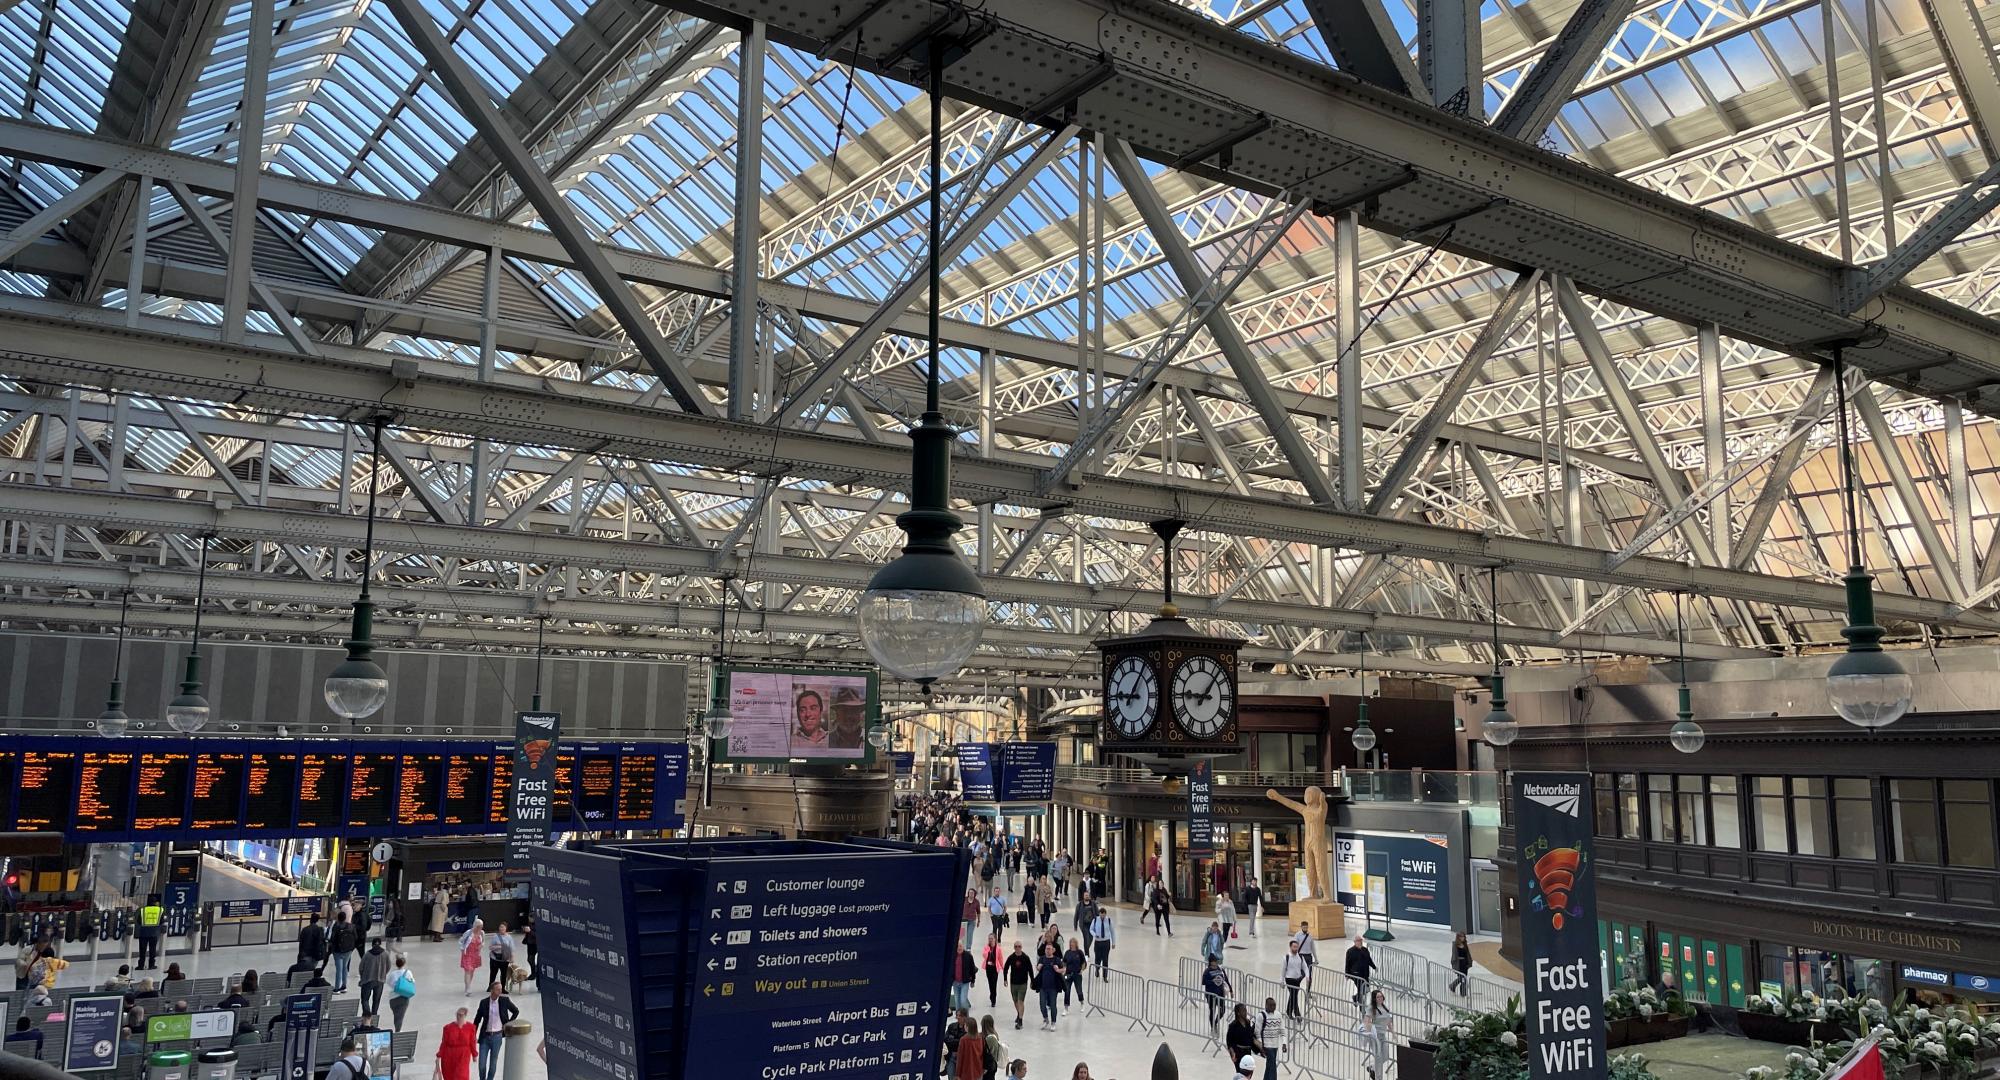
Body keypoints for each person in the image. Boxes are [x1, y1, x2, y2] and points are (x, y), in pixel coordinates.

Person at [472, 981, 518, 1080]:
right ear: (492, 990)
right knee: (482, 1065)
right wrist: (473, 1035)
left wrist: (508, 1023)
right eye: (498, 989)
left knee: (493, 1064)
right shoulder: (484, 1002)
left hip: (497, 1037)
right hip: (485, 1037)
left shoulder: (504, 1001)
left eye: (501, 989)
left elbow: (516, 1011)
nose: (500, 991)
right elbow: (477, 1019)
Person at [1360, 988, 1393, 1079]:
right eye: (1378, 997)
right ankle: (1379, 1078)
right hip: (1375, 1036)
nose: (1380, 998)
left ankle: (1372, 1068)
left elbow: (1388, 1021)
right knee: (1378, 1056)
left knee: (1386, 1056)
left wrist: (1393, 1033)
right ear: (1374, 998)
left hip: (1383, 1035)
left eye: (1381, 996)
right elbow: (1366, 1021)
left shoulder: (1385, 1007)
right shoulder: (1371, 1008)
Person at [437, 1007, 477, 1080]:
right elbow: (444, 1042)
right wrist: (439, 1055)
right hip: (449, 1055)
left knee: (462, 1075)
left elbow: (472, 1042)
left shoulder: (471, 1028)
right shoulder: (448, 1028)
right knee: (449, 1076)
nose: (459, 1017)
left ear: (465, 1016)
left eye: (461, 1015)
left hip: (463, 1055)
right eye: (458, 1015)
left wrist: (474, 1055)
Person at [1033, 944, 1064, 1030]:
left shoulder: (1056, 959)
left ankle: (1053, 1022)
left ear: (1053, 950)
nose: (1047, 950)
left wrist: (1058, 970)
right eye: (1046, 949)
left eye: (1049, 949)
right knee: (1042, 1004)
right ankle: (1046, 1019)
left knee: (1053, 1005)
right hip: (1043, 987)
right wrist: (1038, 967)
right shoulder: (1042, 958)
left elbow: (1063, 969)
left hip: (1053, 987)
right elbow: (1038, 967)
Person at [1003, 942, 1033, 1030]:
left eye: (1019, 946)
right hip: (1013, 983)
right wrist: (1005, 979)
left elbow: (1030, 969)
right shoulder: (1011, 957)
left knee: (1020, 1001)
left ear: (1021, 947)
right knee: (1015, 1001)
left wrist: (1032, 980)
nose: (1017, 948)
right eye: (1016, 946)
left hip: (1023, 983)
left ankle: (1020, 1020)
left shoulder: (1025, 958)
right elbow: (1006, 968)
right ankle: (1019, 1013)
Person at [1201, 957, 1233, 1036]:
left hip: (1220, 994)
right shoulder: (1207, 971)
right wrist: (1212, 981)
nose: (1216, 963)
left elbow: (1226, 980)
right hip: (1211, 994)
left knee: (1222, 1010)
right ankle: (1212, 1027)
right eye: (1214, 962)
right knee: (1212, 1010)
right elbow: (1203, 982)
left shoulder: (1221, 970)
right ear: (1211, 963)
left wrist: (1231, 990)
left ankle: (1215, 1022)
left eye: (1216, 962)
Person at [360, 937, 390, 1016]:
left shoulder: (367, 954)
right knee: (376, 1001)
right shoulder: (385, 954)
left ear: (372, 944)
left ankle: (367, 1016)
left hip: (368, 980)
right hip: (380, 981)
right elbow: (388, 966)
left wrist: (362, 977)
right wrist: (383, 974)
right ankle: (374, 1016)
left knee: (365, 1000)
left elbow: (361, 967)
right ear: (380, 944)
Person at [328, 912, 357, 992]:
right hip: (348, 950)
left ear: (338, 918)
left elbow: (332, 938)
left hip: (337, 950)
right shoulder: (351, 926)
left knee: (339, 969)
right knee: (345, 967)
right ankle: (344, 986)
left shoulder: (336, 926)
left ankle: (337, 988)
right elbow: (355, 937)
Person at [1257, 996, 1285, 1080]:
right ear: (1266, 1005)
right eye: (1271, 1005)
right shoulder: (1261, 1016)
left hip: (1275, 1045)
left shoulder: (1278, 1015)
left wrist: (1284, 1043)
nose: (1273, 1007)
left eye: (1274, 1005)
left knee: (1269, 1065)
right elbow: (1257, 1032)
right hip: (1266, 1045)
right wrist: (1261, 1045)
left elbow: (1282, 1029)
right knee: (1272, 1065)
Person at [1281, 939, 1310, 1019]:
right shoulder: (1286, 958)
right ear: (1290, 947)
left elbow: (1305, 967)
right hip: (1289, 979)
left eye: (1297, 947)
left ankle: (1288, 1011)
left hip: (1297, 980)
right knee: (1294, 996)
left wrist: (1307, 976)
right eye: (1294, 947)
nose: (1295, 949)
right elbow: (1283, 970)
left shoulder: (1300, 957)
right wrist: (1282, 981)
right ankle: (1298, 1015)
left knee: (1293, 996)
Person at [1225, 1003, 1260, 1068]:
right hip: (1238, 1052)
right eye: (1243, 1011)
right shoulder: (1233, 1025)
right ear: (1238, 1013)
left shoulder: (1248, 1023)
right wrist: (1232, 1054)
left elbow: (1250, 1037)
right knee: (1241, 1073)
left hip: (1248, 1052)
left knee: (1248, 1072)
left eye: (1246, 1010)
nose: (1246, 1012)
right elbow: (1229, 1042)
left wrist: (1259, 1046)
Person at [389, 953, 416, 1032]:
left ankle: (397, 1029)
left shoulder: (392, 974)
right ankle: (398, 1031)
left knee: (396, 1015)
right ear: (404, 964)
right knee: (400, 1016)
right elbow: (413, 982)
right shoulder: (408, 972)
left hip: (393, 998)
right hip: (404, 997)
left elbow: (389, 983)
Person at [1344, 935, 1375, 1005]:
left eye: (1361, 940)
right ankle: (1361, 1004)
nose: (1360, 942)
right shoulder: (1350, 951)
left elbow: (1369, 960)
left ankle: (1356, 998)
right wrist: (1347, 974)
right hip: (1356, 974)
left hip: (1365, 973)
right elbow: (1347, 963)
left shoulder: (1365, 950)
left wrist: (1374, 967)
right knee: (1361, 988)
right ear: (1354, 942)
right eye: (1358, 941)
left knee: (1365, 989)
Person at [459, 919, 486, 995]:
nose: (479, 928)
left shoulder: (482, 933)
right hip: (467, 954)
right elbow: (461, 941)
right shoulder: (469, 933)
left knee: (472, 971)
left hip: (476, 954)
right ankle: (467, 988)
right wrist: (462, 949)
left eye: (481, 927)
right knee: (467, 970)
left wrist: (482, 945)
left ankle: (468, 984)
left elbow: (483, 941)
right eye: (478, 926)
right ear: (475, 925)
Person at [487, 923, 516, 994]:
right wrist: (498, 947)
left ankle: (502, 988)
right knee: (493, 973)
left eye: (503, 927)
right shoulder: (495, 937)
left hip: (504, 959)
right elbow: (490, 947)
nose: (501, 929)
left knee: (503, 974)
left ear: (506, 928)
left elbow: (511, 949)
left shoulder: (509, 937)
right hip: (495, 958)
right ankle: (491, 987)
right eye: (500, 927)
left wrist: (512, 958)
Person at [136, 893, 163, 969]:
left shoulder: (143, 909)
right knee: (152, 949)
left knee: (142, 950)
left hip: (143, 932)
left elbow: (138, 921)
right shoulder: (160, 910)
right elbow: (162, 921)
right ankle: (151, 965)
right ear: (155, 902)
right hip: (154, 932)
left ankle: (141, 965)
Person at [1088, 906, 1115, 981]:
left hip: (1106, 942)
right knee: (1098, 958)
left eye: (1104, 915)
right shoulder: (1095, 920)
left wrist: (1113, 942)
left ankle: (1105, 976)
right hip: (1098, 942)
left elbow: (1112, 932)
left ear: (1106, 914)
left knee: (1105, 959)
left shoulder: (1109, 920)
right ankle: (1097, 969)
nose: (1102, 916)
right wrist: (1094, 934)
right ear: (1099, 914)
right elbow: (1091, 929)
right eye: (1101, 915)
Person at [1062, 937, 1086, 1009]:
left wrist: (1082, 970)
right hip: (1068, 974)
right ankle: (1066, 1007)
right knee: (1067, 990)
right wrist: (1063, 969)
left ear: (1076, 944)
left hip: (1077, 974)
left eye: (1073, 942)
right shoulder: (1067, 952)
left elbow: (1084, 962)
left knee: (1079, 989)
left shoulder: (1079, 952)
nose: (1072, 944)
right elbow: (1064, 962)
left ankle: (1082, 1003)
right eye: (1071, 943)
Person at [952, 945, 977, 1013]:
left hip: (964, 982)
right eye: (957, 946)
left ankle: (966, 1016)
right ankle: (958, 1017)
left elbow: (972, 968)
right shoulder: (953, 955)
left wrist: (973, 980)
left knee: (963, 1000)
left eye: (960, 946)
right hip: (955, 982)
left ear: (963, 947)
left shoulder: (968, 956)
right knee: (957, 1001)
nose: (959, 948)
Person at [980, 1015, 1005, 1080]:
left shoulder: (989, 1038)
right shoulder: (994, 1034)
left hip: (988, 1066)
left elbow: (990, 1053)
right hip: (992, 1065)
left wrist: (986, 1067)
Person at [1450, 932, 1473, 998]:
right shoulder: (1455, 944)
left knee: (1463, 978)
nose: (1463, 938)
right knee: (1462, 978)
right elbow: (1454, 956)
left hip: (1465, 964)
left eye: (1463, 936)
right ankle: (1463, 993)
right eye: (1461, 936)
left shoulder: (1465, 944)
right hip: (1459, 964)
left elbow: (1467, 954)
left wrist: (1469, 962)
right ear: (1458, 937)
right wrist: (1454, 964)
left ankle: (1453, 986)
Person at [982, 933, 1002, 1008]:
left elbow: (1000, 958)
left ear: (995, 939)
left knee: (994, 984)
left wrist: (1002, 967)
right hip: (988, 968)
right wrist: (988, 952)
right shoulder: (986, 947)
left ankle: (993, 999)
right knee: (990, 983)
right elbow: (983, 955)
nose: (990, 940)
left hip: (995, 968)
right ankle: (992, 994)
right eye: (989, 938)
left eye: (991, 938)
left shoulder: (998, 948)